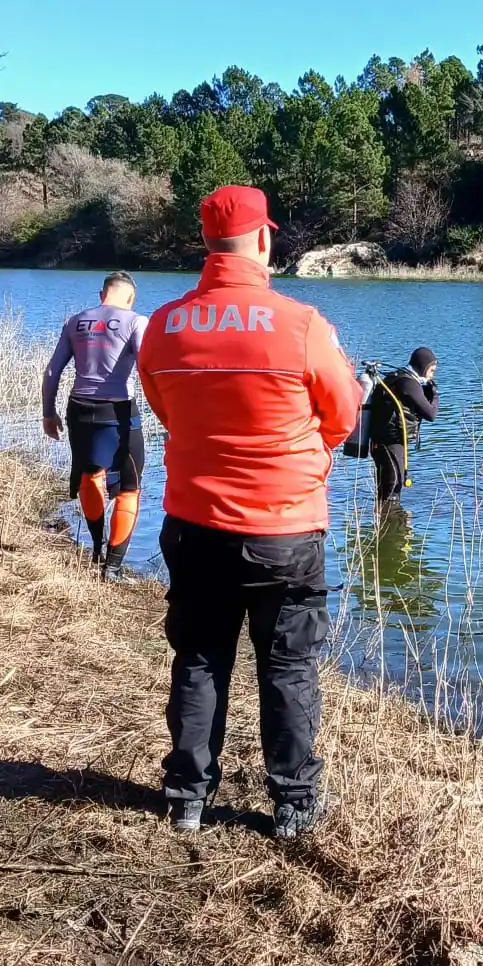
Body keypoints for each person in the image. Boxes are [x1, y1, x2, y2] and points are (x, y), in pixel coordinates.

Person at [138, 185, 362, 839]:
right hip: (284, 528)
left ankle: (186, 797)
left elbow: (166, 411)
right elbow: (344, 416)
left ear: (205, 243)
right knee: (288, 665)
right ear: (263, 239)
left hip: (195, 523)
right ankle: (293, 803)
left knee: (200, 658)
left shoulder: (165, 326)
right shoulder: (302, 325)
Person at [42, 272, 148, 580]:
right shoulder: (135, 321)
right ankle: (112, 567)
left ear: (102, 294)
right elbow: (147, 368)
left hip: (79, 410)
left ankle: (97, 548)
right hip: (118, 410)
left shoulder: (76, 322)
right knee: (130, 486)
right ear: (131, 297)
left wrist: (48, 413)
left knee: (90, 474)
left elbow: (52, 371)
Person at [366, 347, 438, 506]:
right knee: (392, 489)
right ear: (422, 367)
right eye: (431, 370)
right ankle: (389, 517)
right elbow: (431, 414)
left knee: (389, 488)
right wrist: (434, 393)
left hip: (384, 442)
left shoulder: (398, 378)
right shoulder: (409, 383)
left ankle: (389, 519)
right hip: (389, 443)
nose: (432, 375)